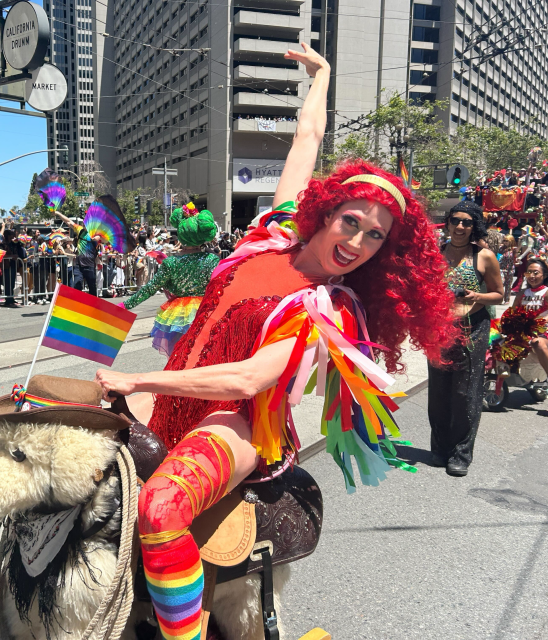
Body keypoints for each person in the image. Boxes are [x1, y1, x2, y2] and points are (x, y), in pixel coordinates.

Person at [92, 44, 456, 640]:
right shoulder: (271, 233)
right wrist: (323, 77)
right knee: (66, 428)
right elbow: (305, 142)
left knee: (159, 510)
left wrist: (137, 379)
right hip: (175, 400)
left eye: (374, 237)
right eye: (351, 222)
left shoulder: (328, 306)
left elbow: (249, 381)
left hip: (236, 425)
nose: (358, 241)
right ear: (326, 211)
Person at [428, 201, 504, 477]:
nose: (460, 227)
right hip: (439, 328)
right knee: (438, 391)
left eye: (467, 222)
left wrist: (477, 296)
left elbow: (499, 294)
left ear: (475, 226)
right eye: (456, 221)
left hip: (473, 328)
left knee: (466, 392)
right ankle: (439, 448)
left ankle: (460, 454)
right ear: (447, 223)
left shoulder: (484, 256)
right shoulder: (434, 253)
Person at [121, 204, 220, 356]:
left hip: (178, 315)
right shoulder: (211, 260)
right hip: (206, 311)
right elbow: (221, 288)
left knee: (179, 358)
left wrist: (125, 305)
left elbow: (150, 288)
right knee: (202, 358)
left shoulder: (171, 263)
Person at [510, 258, 548, 395]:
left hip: (543, 333)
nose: (532, 276)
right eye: (529, 273)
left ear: (544, 275)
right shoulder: (522, 294)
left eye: (536, 273)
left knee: (537, 343)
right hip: (522, 332)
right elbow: (512, 313)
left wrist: (534, 323)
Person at [54, 211, 101, 296]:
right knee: (77, 285)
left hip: (89, 265)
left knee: (92, 288)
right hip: (78, 265)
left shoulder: (95, 233)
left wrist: (96, 238)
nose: (84, 223)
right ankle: (77, 306)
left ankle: (93, 306)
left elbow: (100, 238)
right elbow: (68, 221)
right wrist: (57, 213)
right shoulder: (80, 230)